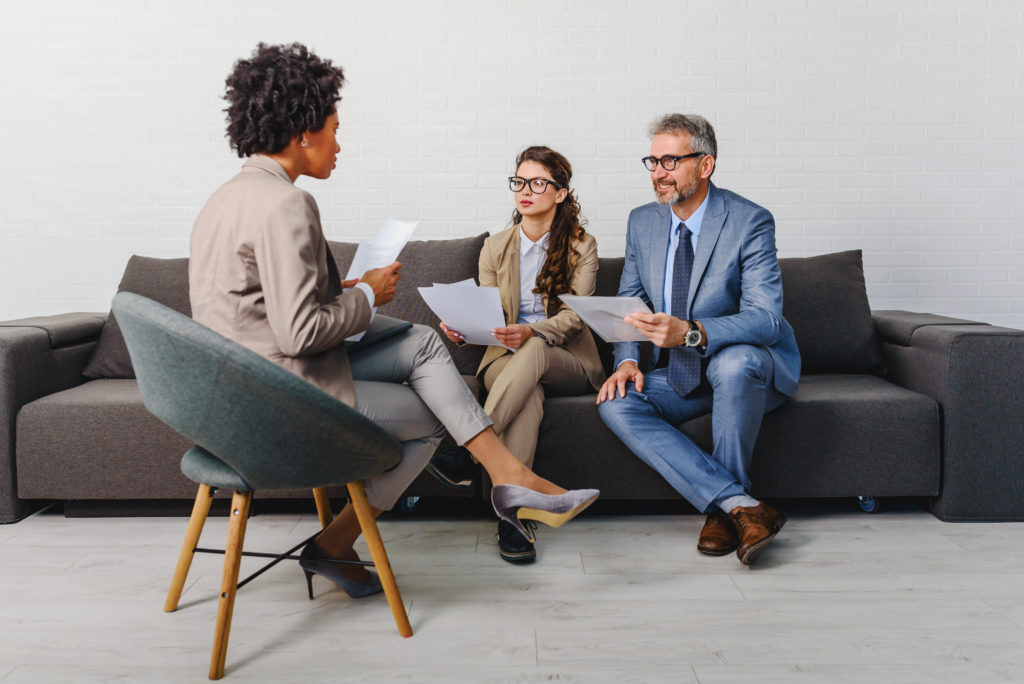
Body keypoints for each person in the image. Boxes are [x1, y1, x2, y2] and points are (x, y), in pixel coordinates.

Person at [188, 43, 598, 598]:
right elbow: (298, 332)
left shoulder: (227, 196)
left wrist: (353, 290)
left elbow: (267, 306)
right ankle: (344, 539)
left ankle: (503, 473)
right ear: (304, 130)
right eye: (335, 127)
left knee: (423, 342)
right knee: (434, 413)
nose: (339, 143)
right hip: (282, 396)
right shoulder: (287, 205)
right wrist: (370, 295)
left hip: (237, 389)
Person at [596, 114, 800, 565]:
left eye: (670, 160)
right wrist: (627, 361)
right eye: (653, 160)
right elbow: (631, 298)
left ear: (705, 165)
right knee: (616, 402)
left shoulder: (749, 221)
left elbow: (766, 318)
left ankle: (723, 511)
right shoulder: (642, 222)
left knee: (733, 364)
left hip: (745, 369)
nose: (657, 172)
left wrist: (692, 332)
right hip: (680, 377)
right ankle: (737, 506)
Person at [433, 146, 606, 564]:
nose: (525, 191)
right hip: (505, 365)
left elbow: (576, 318)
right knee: (526, 397)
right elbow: (487, 315)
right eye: (519, 182)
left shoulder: (582, 246)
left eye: (538, 183)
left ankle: (470, 450)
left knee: (534, 347)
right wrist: (461, 330)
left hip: (566, 359)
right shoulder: (495, 246)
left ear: (561, 193)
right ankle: (511, 520)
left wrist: (531, 330)